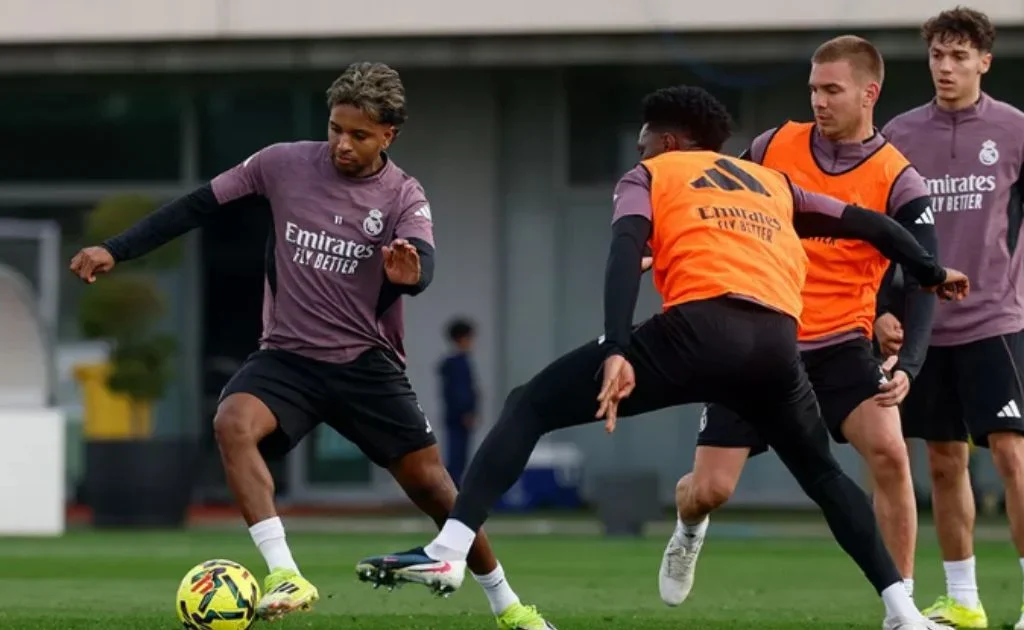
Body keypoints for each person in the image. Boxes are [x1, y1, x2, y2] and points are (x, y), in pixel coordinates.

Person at [355, 84, 968, 630]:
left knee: (529, 403)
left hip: (697, 332)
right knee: (827, 478)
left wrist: (618, 347)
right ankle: (903, 611)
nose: (640, 153)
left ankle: (451, 549)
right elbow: (873, 227)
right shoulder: (772, 182)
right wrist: (933, 272)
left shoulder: (653, 176)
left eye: (645, 143)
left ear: (670, 141)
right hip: (779, 341)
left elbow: (623, 250)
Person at [68, 62, 556, 630]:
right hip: (287, 357)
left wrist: (408, 273)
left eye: (358, 135)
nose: (342, 145)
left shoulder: (403, 194)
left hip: (365, 364)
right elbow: (198, 205)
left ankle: (510, 608)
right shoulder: (281, 164)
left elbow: (422, 264)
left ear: (388, 136)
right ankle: (284, 575)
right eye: (334, 129)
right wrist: (116, 249)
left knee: (436, 489)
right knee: (232, 422)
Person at [659, 34, 934, 607]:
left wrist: (909, 362)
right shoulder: (771, 145)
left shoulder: (898, 177)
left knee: (889, 449)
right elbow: (712, 205)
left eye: (832, 90)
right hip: (761, 335)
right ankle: (688, 530)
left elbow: (925, 273)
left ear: (869, 93)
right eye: (814, 89)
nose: (820, 101)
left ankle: (902, 605)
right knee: (709, 489)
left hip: (840, 344)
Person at [881, 7, 1024, 629]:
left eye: (959, 56)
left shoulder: (1016, 130)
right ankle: (964, 601)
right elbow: (877, 233)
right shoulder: (900, 133)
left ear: (983, 62)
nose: (946, 67)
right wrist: (882, 309)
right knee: (943, 459)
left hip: (998, 320)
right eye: (938, 55)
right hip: (923, 325)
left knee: (1012, 456)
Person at [439, 318, 479, 485]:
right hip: (459, 418)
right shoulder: (457, 363)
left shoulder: (454, 363)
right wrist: (467, 412)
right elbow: (460, 392)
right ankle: (452, 492)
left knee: (458, 457)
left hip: (455, 417)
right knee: (457, 457)